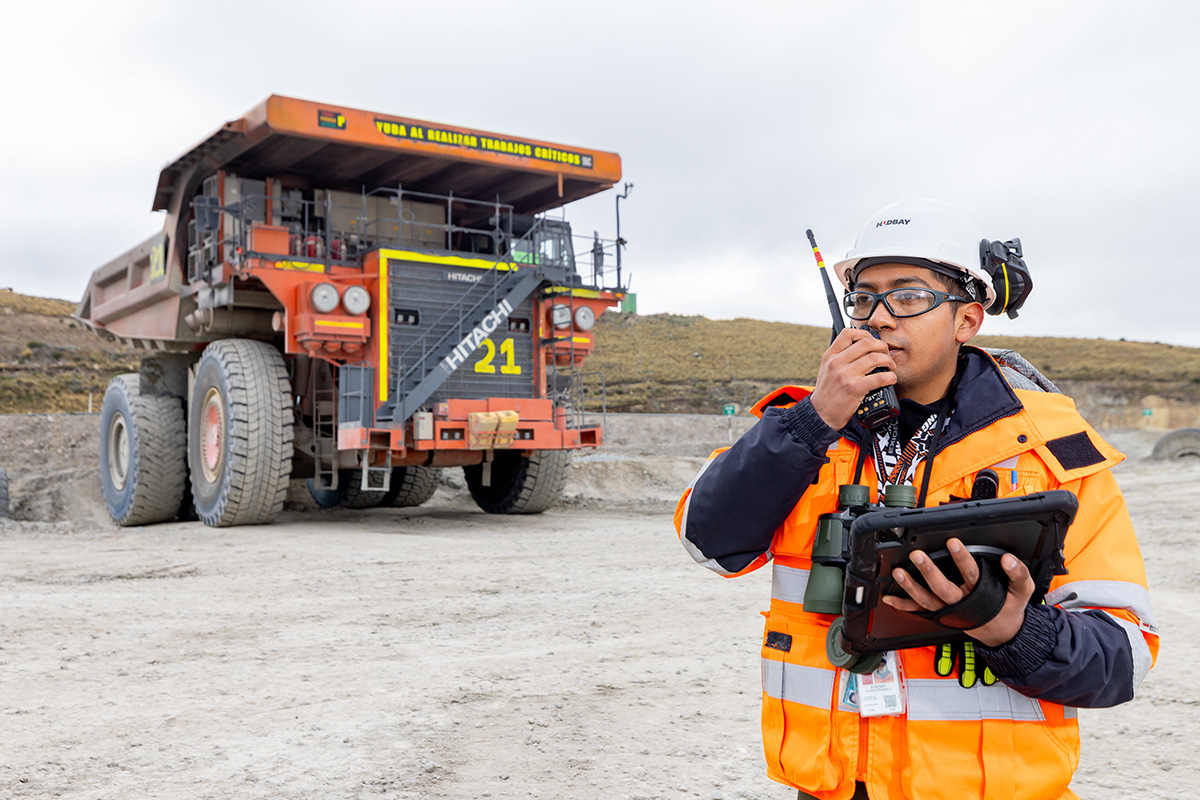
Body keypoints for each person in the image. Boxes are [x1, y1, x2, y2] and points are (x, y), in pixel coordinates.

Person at [674, 192, 1158, 800]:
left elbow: (1122, 658)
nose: (878, 317)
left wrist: (1010, 627)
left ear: (967, 320)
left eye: (908, 297)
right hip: (829, 788)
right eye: (863, 297)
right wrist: (813, 419)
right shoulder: (804, 431)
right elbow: (709, 542)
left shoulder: (1052, 450)